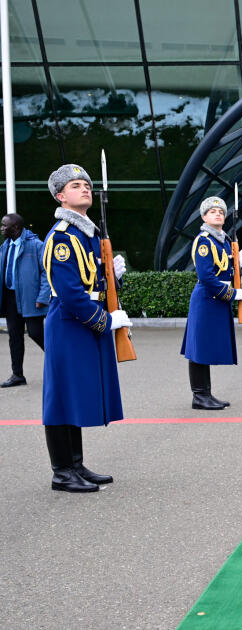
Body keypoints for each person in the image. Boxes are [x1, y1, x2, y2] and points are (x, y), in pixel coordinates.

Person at [42, 164, 132, 492]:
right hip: (69, 323)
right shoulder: (63, 237)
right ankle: (62, 472)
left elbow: (91, 281)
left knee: (74, 394)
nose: (84, 189)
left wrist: (112, 278)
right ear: (60, 196)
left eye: (86, 185)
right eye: (76, 186)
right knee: (61, 397)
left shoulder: (87, 234)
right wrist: (105, 322)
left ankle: (75, 465)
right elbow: (69, 293)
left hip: (81, 320)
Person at [180, 196, 242, 410]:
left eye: (221, 212)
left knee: (206, 346)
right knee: (199, 348)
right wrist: (231, 294)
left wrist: (238, 267)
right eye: (212, 212)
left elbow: (226, 271)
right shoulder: (204, 241)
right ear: (204, 217)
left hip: (217, 299)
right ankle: (199, 396)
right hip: (207, 299)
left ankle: (206, 393)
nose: (218, 214)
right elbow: (206, 276)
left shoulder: (224, 241)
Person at [1, 213, 49, 387]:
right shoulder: (5, 246)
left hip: (31, 298)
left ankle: (63, 366)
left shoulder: (36, 245)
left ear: (16, 227)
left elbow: (46, 272)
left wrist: (43, 297)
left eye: (4, 225)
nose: (1, 228)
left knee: (36, 333)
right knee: (14, 336)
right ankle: (17, 375)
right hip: (10, 298)